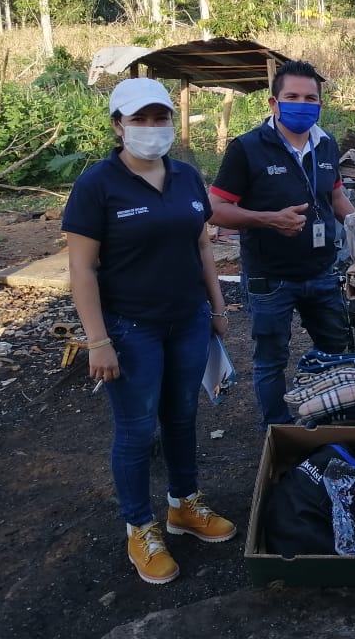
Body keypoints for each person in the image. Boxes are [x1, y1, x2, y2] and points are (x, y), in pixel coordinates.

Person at [63, 78, 235, 586]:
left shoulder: (186, 176)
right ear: (118, 126)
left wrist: (217, 307)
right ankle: (139, 527)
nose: (152, 127)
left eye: (160, 118)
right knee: (137, 430)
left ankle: (184, 505)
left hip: (188, 321)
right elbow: (82, 269)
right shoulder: (98, 185)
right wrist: (97, 340)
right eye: (139, 119)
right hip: (130, 327)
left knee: (181, 417)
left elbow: (202, 246)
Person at [208, 60, 355, 429]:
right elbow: (215, 209)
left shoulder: (326, 144)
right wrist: (268, 219)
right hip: (270, 277)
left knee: (335, 349)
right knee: (271, 358)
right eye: (292, 97)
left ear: (320, 104)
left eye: (310, 98)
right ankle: (278, 429)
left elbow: (337, 198)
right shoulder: (247, 148)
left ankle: (330, 418)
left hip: (322, 272)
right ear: (274, 103)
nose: (302, 104)